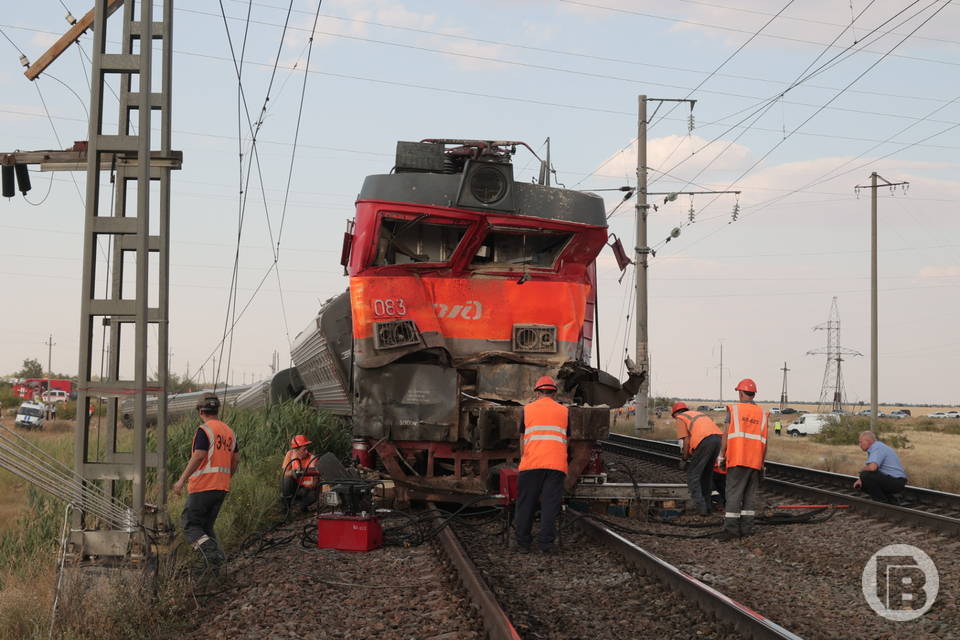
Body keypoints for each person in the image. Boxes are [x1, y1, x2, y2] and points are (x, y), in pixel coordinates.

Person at [173, 394, 238, 565]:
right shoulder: (230, 432)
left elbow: (199, 455)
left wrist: (181, 480)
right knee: (206, 528)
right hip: (221, 487)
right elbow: (236, 459)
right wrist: (226, 477)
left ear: (201, 411)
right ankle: (217, 566)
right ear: (217, 410)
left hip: (203, 486)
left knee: (190, 526)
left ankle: (211, 554)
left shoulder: (205, 430)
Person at [515, 375, 568, 554]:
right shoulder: (564, 411)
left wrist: (523, 459)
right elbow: (565, 439)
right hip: (556, 465)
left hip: (531, 463)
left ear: (537, 392)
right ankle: (546, 545)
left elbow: (522, 439)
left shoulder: (527, 410)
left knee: (526, 504)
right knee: (549, 506)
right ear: (554, 393)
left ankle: (523, 543)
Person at [718, 378, 768, 540]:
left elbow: (725, 435)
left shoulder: (734, 410)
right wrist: (762, 462)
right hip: (755, 461)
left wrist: (721, 455)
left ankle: (731, 530)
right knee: (749, 496)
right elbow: (765, 441)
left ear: (740, 393)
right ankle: (747, 528)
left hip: (738, 459)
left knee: (733, 494)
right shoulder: (762, 413)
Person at [671, 401, 722, 515]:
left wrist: (684, 459)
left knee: (692, 476)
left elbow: (686, 441)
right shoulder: (697, 414)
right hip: (718, 440)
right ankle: (708, 507)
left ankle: (701, 509)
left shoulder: (681, 418)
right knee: (706, 476)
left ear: (675, 413)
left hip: (704, 442)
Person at [853, 430, 907, 504]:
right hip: (896, 481)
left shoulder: (877, 447)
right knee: (864, 481)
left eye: (861, 442)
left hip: (896, 482)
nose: (860, 444)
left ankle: (881, 503)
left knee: (865, 475)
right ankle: (891, 501)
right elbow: (872, 469)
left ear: (869, 441)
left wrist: (861, 471)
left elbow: (872, 468)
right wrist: (860, 479)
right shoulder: (876, 447)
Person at [281, 434, 319, 512]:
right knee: (286, 480)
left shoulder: (313, 459)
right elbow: (284, 473)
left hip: (307, 489)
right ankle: (286, 507)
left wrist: (308, 488)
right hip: (294, 487)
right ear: (296, 450)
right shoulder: (290, 455)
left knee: (313, 495)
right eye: (304, 449)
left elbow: (315, 481)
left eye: (307, 449)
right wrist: (292, 473)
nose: (307, 451)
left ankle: (302, 506)